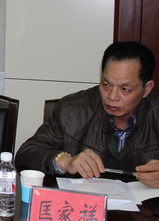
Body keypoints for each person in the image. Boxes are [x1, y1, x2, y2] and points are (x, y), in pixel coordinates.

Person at [16, 41, 159, 188]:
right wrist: (65, 162)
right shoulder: (71, 110)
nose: (112, 96)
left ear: (147, 88)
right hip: (84, 199)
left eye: (125, 89)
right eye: (106, 85)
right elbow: (26, 153)